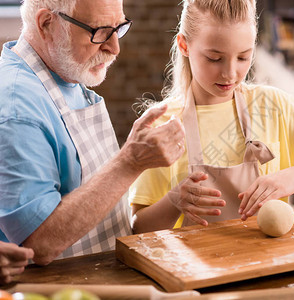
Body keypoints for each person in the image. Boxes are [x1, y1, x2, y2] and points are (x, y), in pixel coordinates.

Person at [129, 0, 294, 233]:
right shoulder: (162, 125)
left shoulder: (273, 105)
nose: (230, 73)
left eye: (243, 57)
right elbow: (138, 228)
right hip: (190, 270)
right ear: (184, 46)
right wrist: (174, 201)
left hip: (270, 264)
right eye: (214, 58)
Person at [0, 0, 185, 265]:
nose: (114, 48)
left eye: (118, 28)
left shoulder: (66, 74)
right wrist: (130, 163)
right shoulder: (17, 108)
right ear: (46, 24)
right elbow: (38, 244)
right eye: (99, 32)